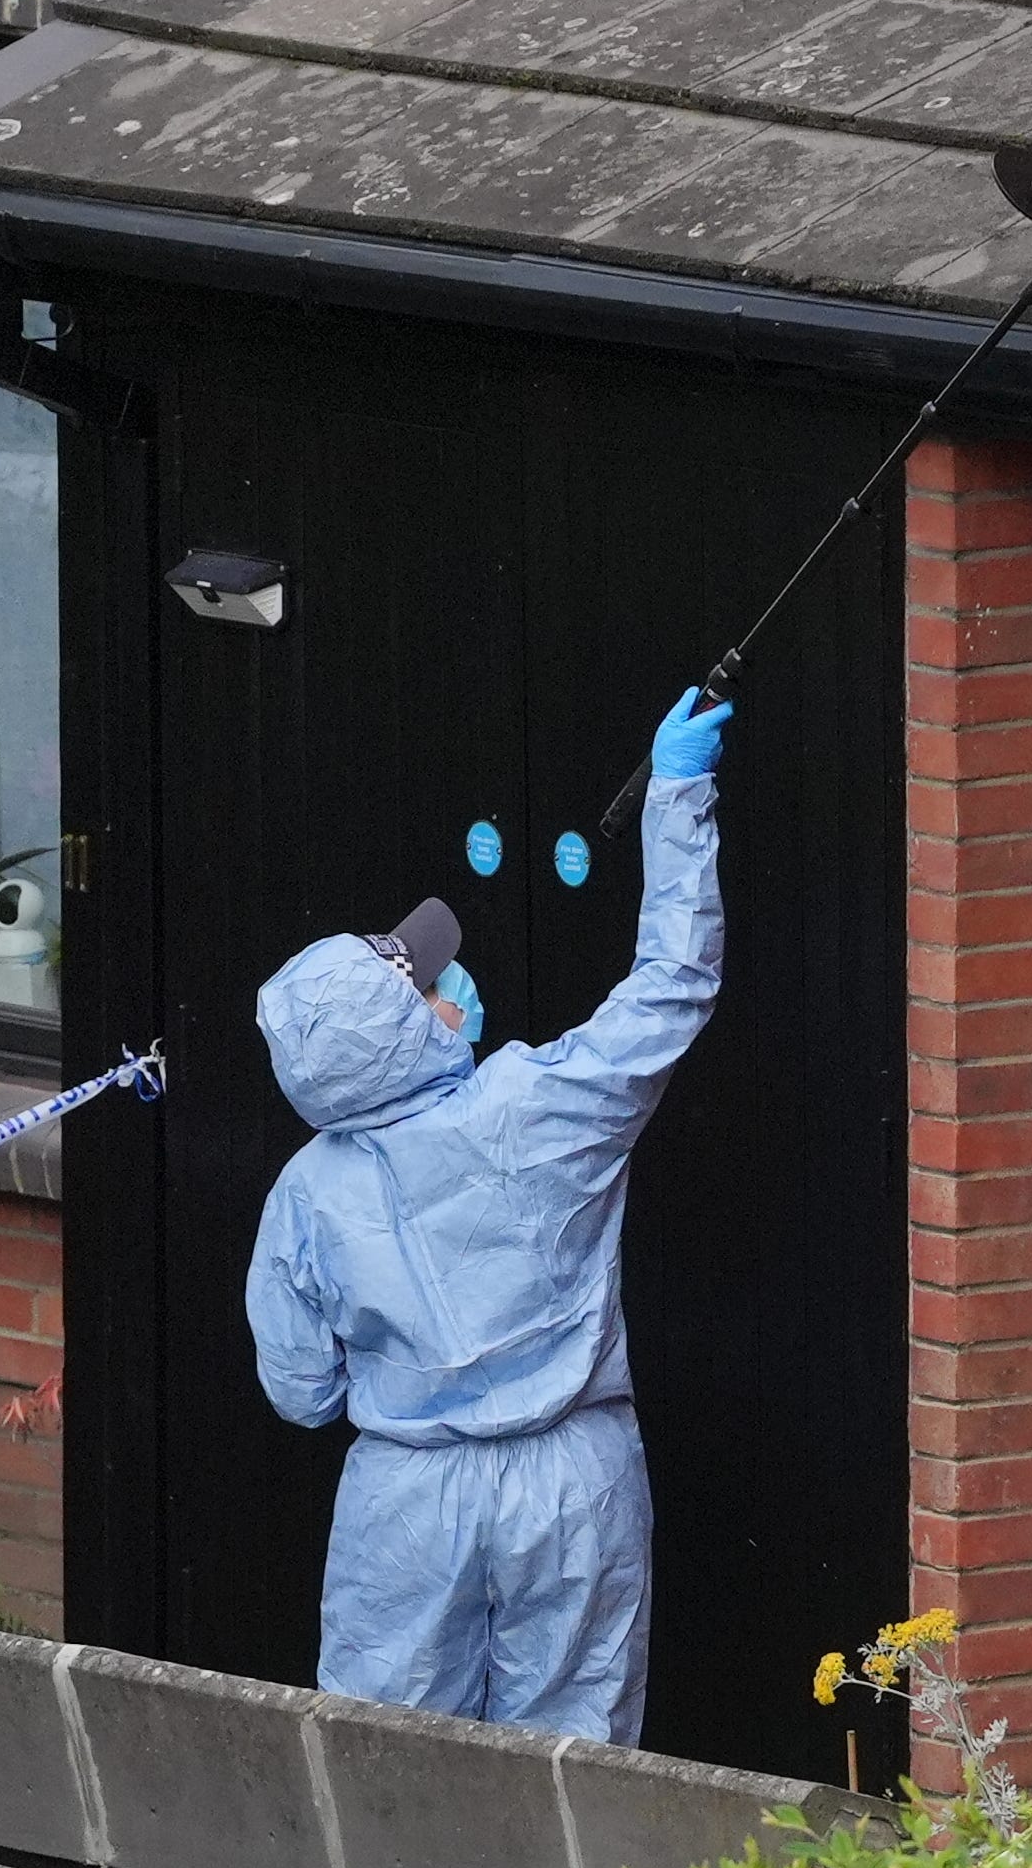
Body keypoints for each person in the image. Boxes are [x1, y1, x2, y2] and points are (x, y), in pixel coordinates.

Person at [248, 686, 729, 1742]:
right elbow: (673, 985)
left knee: (383, 1766)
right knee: (574, 1769)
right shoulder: (536, 1106)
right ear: (411, 1028)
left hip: (404, 1492)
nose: (450, 982)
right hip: (570, 1476)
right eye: (429, 984)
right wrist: (677, 793)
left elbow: (298, 1392)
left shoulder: (303, 1195)